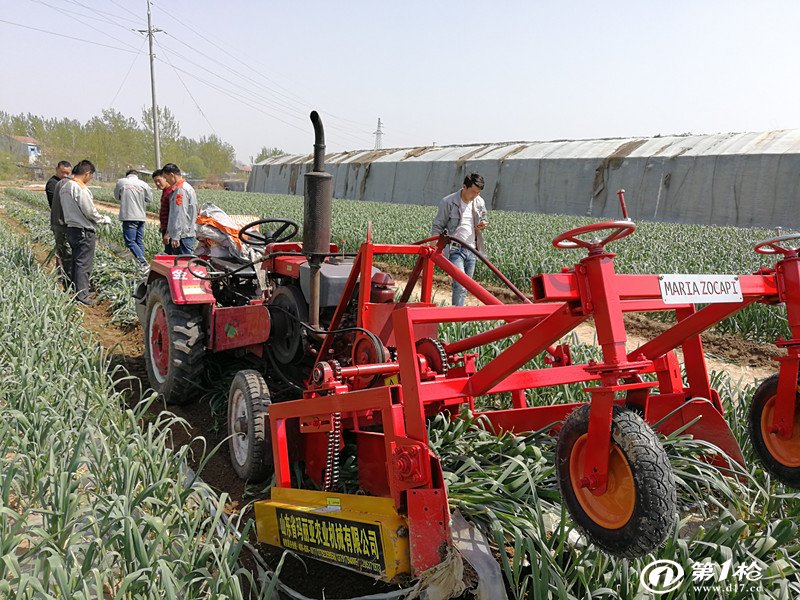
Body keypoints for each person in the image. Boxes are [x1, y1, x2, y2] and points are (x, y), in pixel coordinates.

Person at [430, 172, 489, 306]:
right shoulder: (448, 202)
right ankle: (457, 318)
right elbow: (438, 226)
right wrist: (432, 248)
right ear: (464, 187)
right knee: (460, 285)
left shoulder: (479, 202)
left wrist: (483, 224)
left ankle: (459, 315)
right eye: (473, 192)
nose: (475, 195)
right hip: (455, 249)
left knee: (467, 286)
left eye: (478, 193)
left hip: (472, 249)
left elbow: (484, 217)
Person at [59, 159, 111, 306]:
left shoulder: (65, 186)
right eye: (91, 176)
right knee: (84, 264)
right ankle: (83, 296)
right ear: (87, 173)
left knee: (76, 261)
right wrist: (102, 219)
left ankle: (76, 291)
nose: (90, 179)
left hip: (71, 228)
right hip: (83, 230)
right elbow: (89, 211)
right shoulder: (79, 188)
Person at [114, 169, 152, 272]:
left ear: (127, 175)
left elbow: (117, 197)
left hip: (129, 216)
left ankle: (143, 262)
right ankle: (143, 266)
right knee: (138, 241)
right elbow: (149, 199)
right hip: (141, 216)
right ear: (137, 175)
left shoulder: (121, 182)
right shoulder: (144, 184)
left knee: (130, 241)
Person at [161, 163, 197, 255]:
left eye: (166, 177)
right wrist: (169, 233)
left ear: (172, 175)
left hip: (183, 236)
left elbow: (180, 214)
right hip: (183, 235)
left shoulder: (181, 191)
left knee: (183, 264)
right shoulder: (180, 189)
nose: (166, 180)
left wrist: (176, 236)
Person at [46, 160, 73, 285]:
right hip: (59, 222)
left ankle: (65, 275)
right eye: (63, 172)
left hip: (66, 222)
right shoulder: (52, 184)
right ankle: (64, 279)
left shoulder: (66, 182)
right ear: (57, 169)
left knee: (65, 250)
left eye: (68, 173)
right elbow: (56, 205)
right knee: (64, 251)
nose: (65, 175)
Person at [153, 168, 175, 253]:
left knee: (172, 255)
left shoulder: (171, 193)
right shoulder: (165, 192)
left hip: (171, 231)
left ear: (165, 178)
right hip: (166, 229)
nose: (157, 184)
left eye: (159, 180)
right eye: (155, 182)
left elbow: (173, 214)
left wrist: (168, 232)